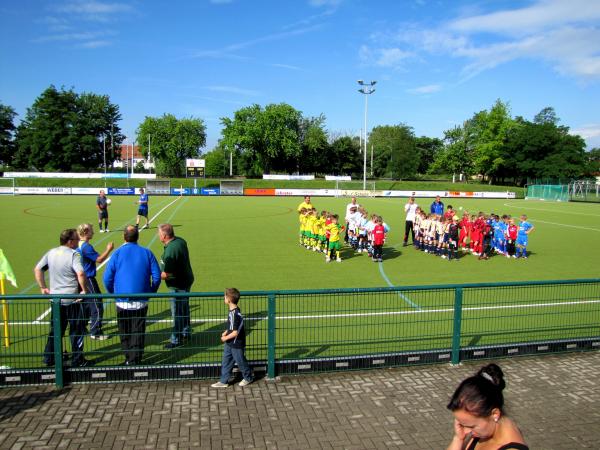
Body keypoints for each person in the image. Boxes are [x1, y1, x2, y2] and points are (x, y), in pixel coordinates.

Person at [103, 225, 161, 365]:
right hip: (141, 300)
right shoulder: (147, 253)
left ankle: (129, 358)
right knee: (138, 330)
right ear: (137, 237)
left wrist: (113, 293)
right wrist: (150, 292)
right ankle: (135, 359)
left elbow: (107, 278)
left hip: (121, 301)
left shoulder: (117, 254)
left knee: (124, 331)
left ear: (124, 237)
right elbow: (157, 277)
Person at [34, 228, 91, 367]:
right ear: (70, 242)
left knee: (55, 330)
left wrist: (43, 287)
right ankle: (78, 359)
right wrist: (84, 290)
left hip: (56, 299)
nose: (79, 241)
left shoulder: (51, 253)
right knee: (76, 330)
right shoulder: (74, 254)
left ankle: (49, 358)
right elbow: (81, 273)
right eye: (77, 239)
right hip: (72, 299)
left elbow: (38, 269)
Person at [446, 363, 528, 450]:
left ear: (495, 414)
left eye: (472, 426)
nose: (466, 432)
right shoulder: (485, 429)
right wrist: (458, 438)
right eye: (462, 424)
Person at [158, 223, 195, 349]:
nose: (158, 236)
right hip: (186, 280)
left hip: (178, 285)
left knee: (177, 312)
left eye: (159, 234)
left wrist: (153, 275)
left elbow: (166, 274)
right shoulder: (180, 241)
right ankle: (186, 332)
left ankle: (176, 339)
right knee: (184, 308)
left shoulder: (171, 250)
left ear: (164, 235)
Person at [76, 223, 114, 340]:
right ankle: (95, 332)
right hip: (88, 279)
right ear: (86, 232)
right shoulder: (87, 247)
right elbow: (99, 259)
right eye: (91, 230)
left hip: (80, 278)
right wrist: (108, 249)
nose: (93, 232)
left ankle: (81, 327)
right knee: (97, 304)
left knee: (85, 304)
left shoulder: (78, 244)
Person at [211, 288, 254, 388]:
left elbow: (235, 333)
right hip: (230, 343)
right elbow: (233, 327)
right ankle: (223, 381)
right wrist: (226, 331)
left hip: (236, 344)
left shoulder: (234, 314)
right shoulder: (234, 310)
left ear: (229, 299)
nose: (224, 298)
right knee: (226, 361)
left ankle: (248, 377)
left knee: (240, 361)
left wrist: (225, 338)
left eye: (225, 296)